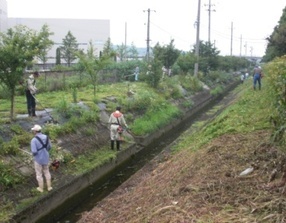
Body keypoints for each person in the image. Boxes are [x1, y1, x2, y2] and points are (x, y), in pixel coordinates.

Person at [30, 124, 52, 192]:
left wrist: (33, 154)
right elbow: (49, 147)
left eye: (33, 130)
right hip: (46, 158)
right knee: (46, 171)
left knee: (39, 173)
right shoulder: (46, 137)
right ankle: (49, 187)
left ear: (35, 131)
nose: (33, 131)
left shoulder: (33, 140)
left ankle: (41, 188)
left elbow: (34, 151)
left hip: (38, 159)